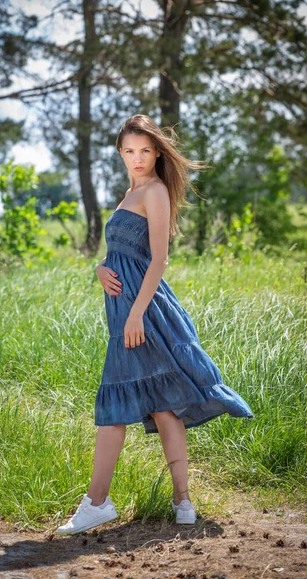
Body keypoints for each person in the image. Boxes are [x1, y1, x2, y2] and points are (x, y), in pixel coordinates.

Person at [56, 114, 254, 535]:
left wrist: (134, 314)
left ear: (158, 153)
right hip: (126, 310)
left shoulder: (157, 191)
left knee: (120, 405)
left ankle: (99, 502)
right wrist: (99, 268)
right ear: (121, 154)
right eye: (129, 151)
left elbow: (159, 260)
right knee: (162, 406)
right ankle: (180, 502)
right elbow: (125, 252)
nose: (137, 158)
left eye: (145, 150)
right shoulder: (131, 191)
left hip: (143, 312)